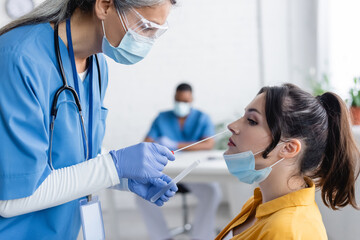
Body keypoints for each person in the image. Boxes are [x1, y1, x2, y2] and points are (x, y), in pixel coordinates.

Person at [0, 0, 179, 239]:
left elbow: (72, 154)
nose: (148, 42)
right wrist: (113, 167)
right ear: (104, 6)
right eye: (146, 27)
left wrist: (124, 178)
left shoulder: (97, 66)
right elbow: (12, 197)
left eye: (157, 32)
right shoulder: (18, 58)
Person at [215, 83, 360, 240]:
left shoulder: (286, 231)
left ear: (289, 148)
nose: (232, 126)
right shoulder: (259, 203)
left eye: (251, 121)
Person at [137, 83, 223, 240]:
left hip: (194, 173)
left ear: (192, 100)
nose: (180, 104)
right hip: (166, 173)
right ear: (174, 98)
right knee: (140, 191)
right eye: (178, 100)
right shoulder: (162, 118)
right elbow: (146, 144)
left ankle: (201, 236)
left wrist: (176, 145)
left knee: (212, 191)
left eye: (185, 101)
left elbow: (208, 144)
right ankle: (161, 237)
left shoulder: (202, 118)